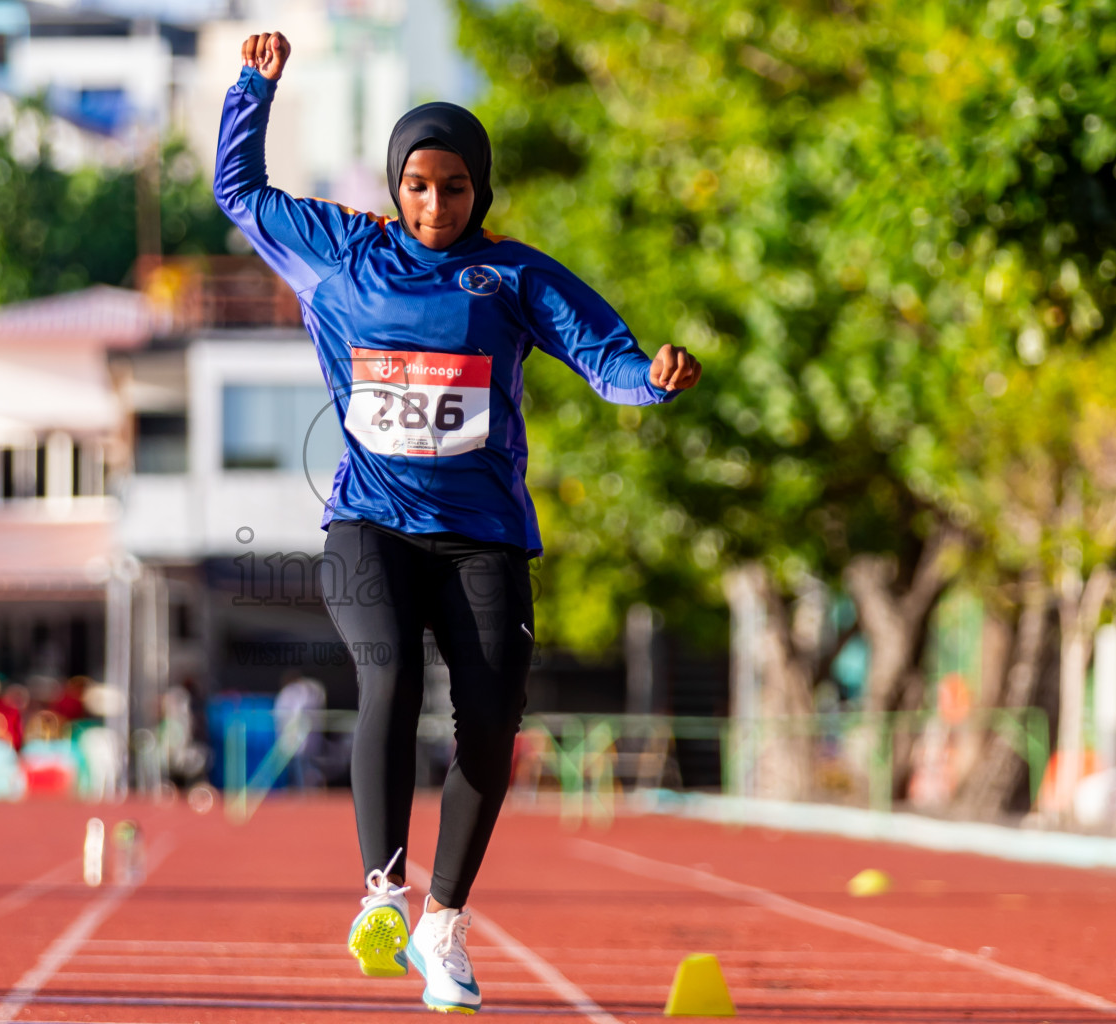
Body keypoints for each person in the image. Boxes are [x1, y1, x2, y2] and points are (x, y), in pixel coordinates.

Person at [215, 32, 702, 1015]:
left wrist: (646, 380)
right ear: (396, 186)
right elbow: (237, 190)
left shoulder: (513, 278)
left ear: (481, 190)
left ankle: (444, 920)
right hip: (371, 524)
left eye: (455, 189)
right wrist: (252, 88)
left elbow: (602, 350)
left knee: (488, 724)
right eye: (419, 187)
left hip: (482, 535)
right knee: (388, 670)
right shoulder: (340, 254)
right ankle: (383, 894)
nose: (435, 207)